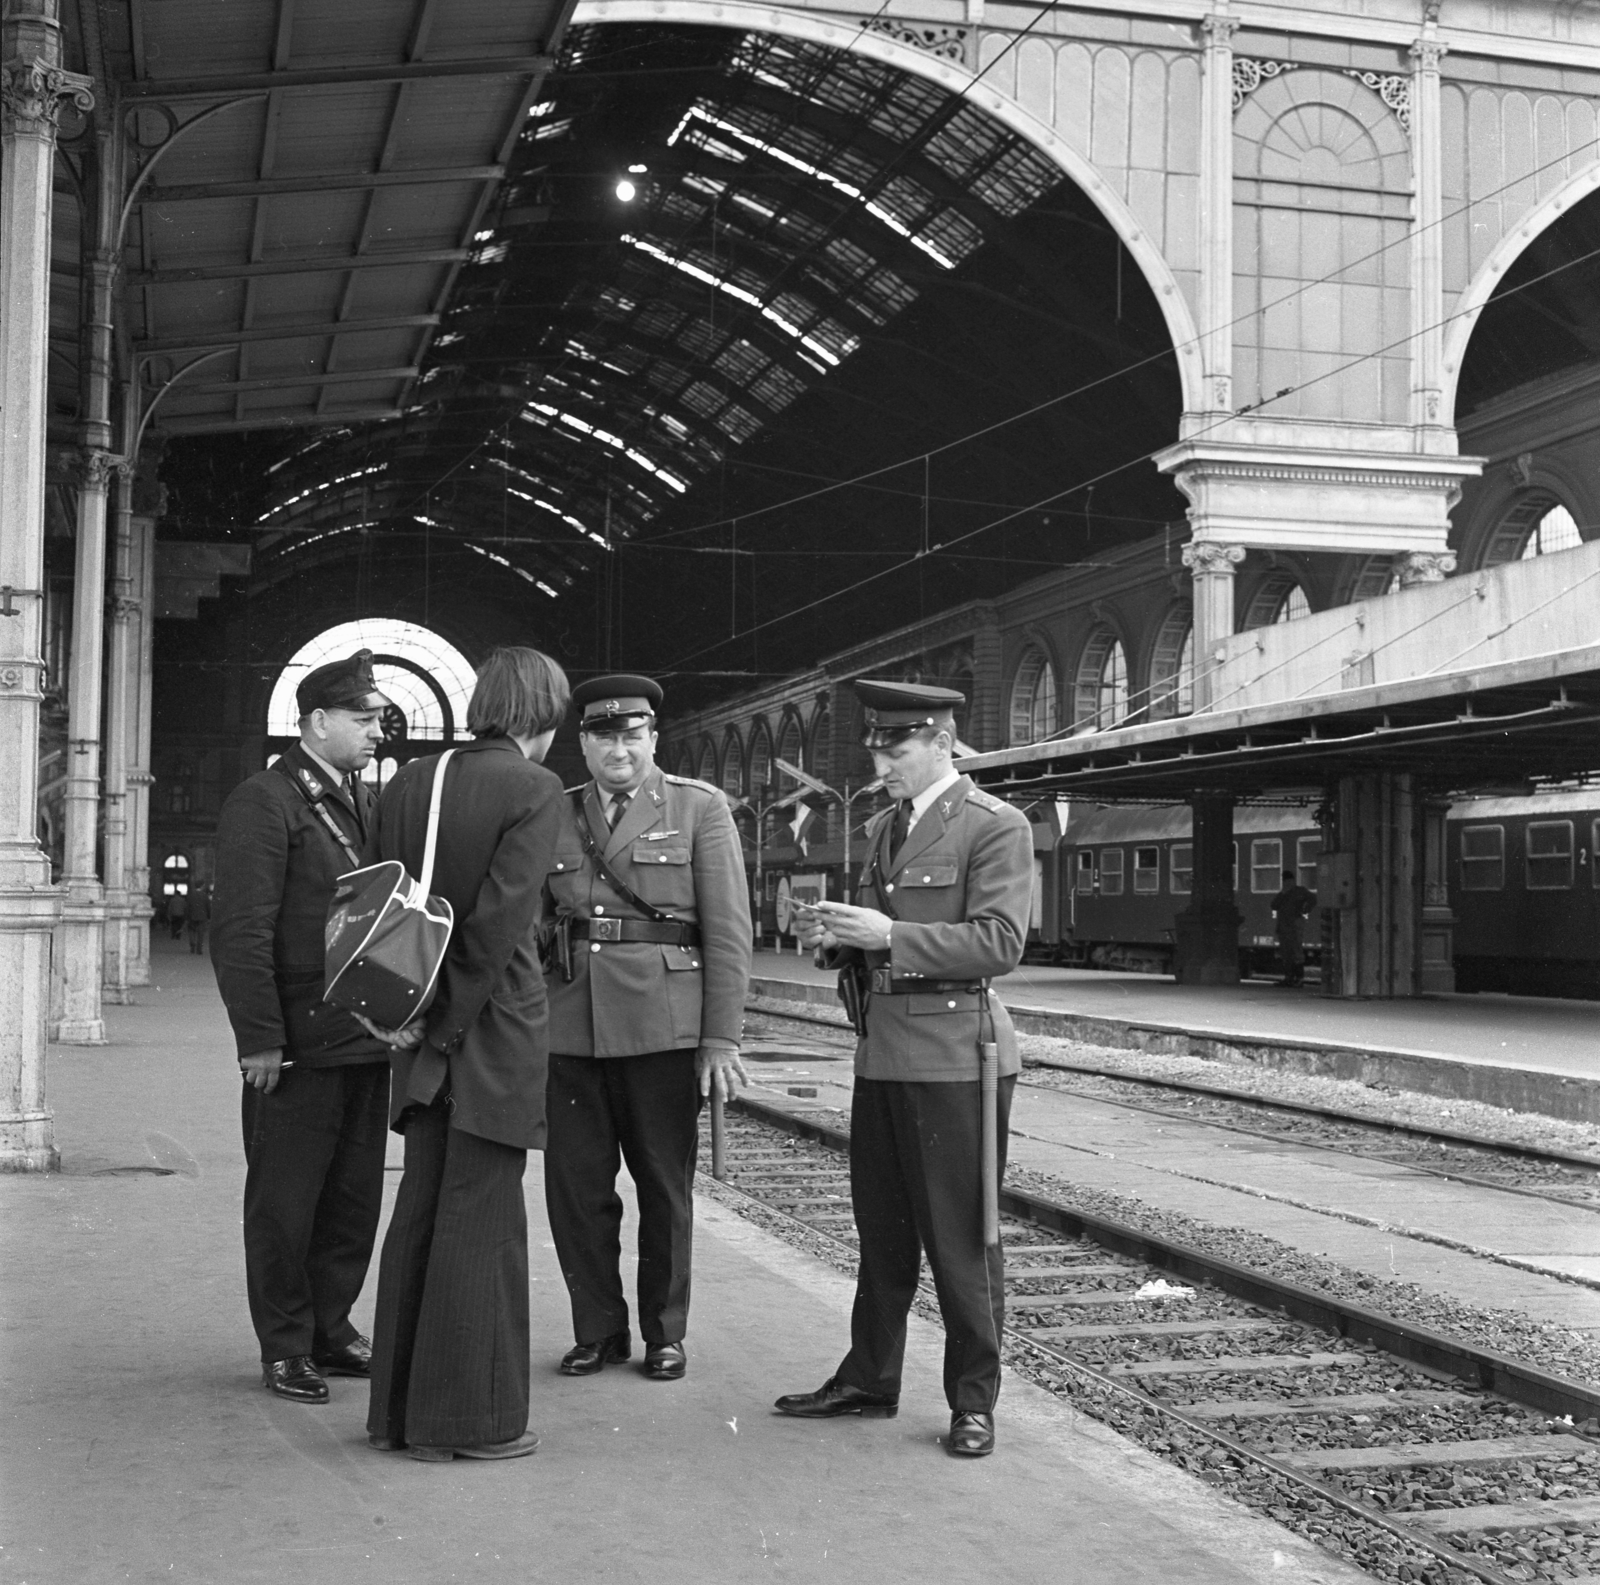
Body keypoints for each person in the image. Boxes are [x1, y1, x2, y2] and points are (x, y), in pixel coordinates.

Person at [776, 679, 1032, 1459]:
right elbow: (875, 938)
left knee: (960, 1236)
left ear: (943, 742)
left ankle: (971, 1403)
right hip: (883, 1051)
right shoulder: (887, 827)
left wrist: (888, 933)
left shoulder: (996, 826)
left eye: (897, 748)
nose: (881, 762)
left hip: (958, 1057)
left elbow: (999, 943)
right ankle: (869, 1377)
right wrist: (835, 938)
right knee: (881, 1233)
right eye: (877, 749)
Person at [362, 646, 568, 1463]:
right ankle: (471, 1422)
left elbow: (379, 900)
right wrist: (448, 1028)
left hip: (413, 1024)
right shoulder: (534, 787)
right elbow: (498, 925)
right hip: (486, 1031)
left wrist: (402, 1017)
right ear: (544, 714)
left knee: (421, 1207)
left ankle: (397, 1414)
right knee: (484, 1217)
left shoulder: (410, 782)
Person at [541, 674, 751, 1384]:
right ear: (584, 744)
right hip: (569, 1027)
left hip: (664, 1030)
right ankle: (597, 1330)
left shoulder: (698, 808)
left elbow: (728, 931)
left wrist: (720, 1039)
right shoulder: (556, 812)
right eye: (604, 737)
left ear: (652, 738)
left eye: (632, 736)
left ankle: (665, 1332)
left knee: (663, 1186)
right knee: (576, 1190)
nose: (618, 749)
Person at [210, 650, 391, 1404]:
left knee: (352, 1194)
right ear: (318, 721)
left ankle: (331, 1324)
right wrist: (260, 1038)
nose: (379, 729)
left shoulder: (354, 799)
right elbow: (241, 930)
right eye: (365, 717)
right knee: (287, 1200)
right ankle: (285, 1343)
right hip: (294, 1039)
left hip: (358, 1033)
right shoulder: (266, 800)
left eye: (379, 715)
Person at [1271, 868, 1317, 986]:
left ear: (1292, 881)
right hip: (1284, 926)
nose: (1287, 883)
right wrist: (1282, 893)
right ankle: (1289, 978)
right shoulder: (1283, 894)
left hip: (1295, 925)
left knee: (1296, 952)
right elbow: (1274, 905)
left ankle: (1299, 978)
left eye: (1288, 881)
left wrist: (1305, 909)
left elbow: (1313, 899)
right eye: (1285, 881)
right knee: (1286, 954)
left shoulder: (1300, 891)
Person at [187, 882, 211, 955]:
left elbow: (187, 907)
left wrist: (187, 916)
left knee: (192, 931)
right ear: (202, 886)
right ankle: (199, 949)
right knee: (200, 934)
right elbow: (208, 907)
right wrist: (209, 916)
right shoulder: (205, 896)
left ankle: (192, 945)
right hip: (202, 917)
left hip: (192, 916)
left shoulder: (190, 895)